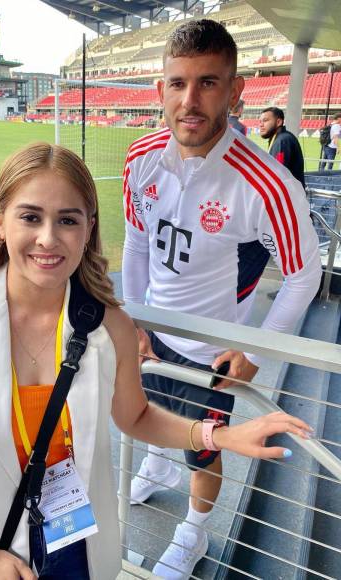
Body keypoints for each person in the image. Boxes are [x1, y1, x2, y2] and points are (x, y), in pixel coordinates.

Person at [0, 142, 312, 580]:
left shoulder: (109, 325)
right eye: (31, 216)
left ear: (88, 228)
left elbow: (135, 416)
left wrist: (221, 437)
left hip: (77, 544)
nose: (48, 238)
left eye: (68, 220)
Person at [122, 20, 322, 579]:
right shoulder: (140, 158)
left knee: (205, 452)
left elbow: (304, 276)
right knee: (152, 415)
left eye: (208, 83)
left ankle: (194, 533)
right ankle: (158, 468)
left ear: (235, 93)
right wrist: (138, 321)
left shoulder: (269, 185)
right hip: (152, 333)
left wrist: (254, 353)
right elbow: (138, 243)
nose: (189, 100)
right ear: (160, 89)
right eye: (177, 83)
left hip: (211, 353)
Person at [259, 106, 305, 187]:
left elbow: (276, 174)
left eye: (265, 120)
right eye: (260, 121)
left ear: (279, 122)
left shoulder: (282, 140)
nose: (261, 125)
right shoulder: (280, 137)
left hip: (289, 195)